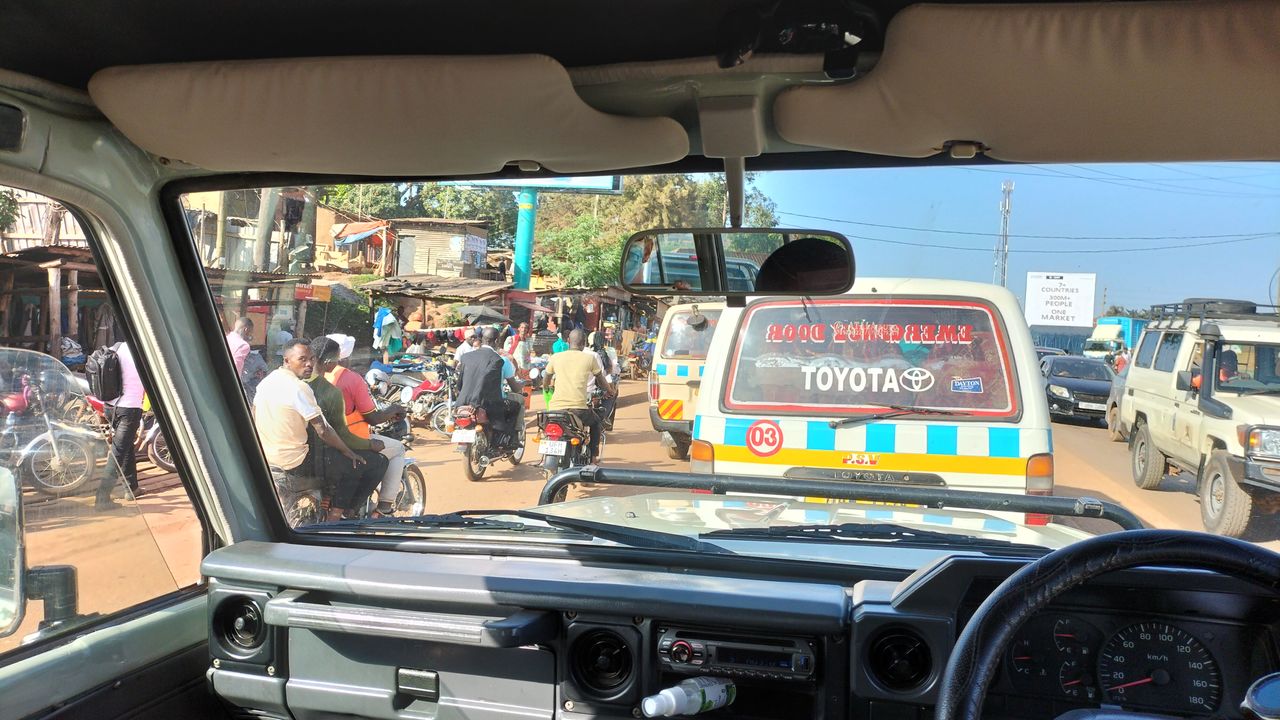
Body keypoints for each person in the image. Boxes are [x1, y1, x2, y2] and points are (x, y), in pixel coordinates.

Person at [253, 338, 366, 526]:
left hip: (266, 458)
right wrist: (349, 451)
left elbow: (254, 414)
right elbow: (323, 429)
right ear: (287, 360)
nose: (309, 364)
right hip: (293, 462)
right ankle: (335, 517)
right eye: (302, 359)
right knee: (351, 466)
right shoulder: (299, 388)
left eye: (312, 359)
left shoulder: (266, 382)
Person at [323, 333, 409, 516]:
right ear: (346, 356)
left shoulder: (315, 376)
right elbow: (373, 418)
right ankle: (385, 504)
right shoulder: (352, 379)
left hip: (322, 442)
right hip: (351, 440)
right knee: (398, 449)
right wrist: (393, 409)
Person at [305, 338, 390, 520]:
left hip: (301, 454)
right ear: (329, 363)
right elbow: (341, 435)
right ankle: (343, 512)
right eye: (336, 359)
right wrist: (369, 445)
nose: (338, 363)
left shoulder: (296, 384)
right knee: (374, 462)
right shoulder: (329, 391)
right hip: (322, 457)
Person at [544, 329, 615, 463]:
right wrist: (610, 391)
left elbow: (546, 377)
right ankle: (593, 456)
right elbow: (600, 378)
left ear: (568, 341)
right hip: (579, 410)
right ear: (583, 343)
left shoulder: (556, 357)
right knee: (596, 422)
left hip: (555, 410)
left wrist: (546, 387)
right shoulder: (590, 358)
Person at [95, 341, 146, 511]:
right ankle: (102, 497)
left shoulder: (117, 347)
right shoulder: (143, 351)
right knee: (118, 452)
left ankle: (131, 488)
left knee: (125, 447)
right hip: (129, 408)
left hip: (109, 406)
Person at [456, 327, 524, 434]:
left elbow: (460, 384)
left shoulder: (466, 357)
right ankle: (509, 440)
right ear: (497, 341)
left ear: (482, 339)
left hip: (463, 402)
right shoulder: (497, 359)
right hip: (486, 403)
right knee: (515, 407)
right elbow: (488, 383)